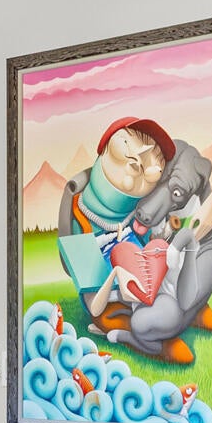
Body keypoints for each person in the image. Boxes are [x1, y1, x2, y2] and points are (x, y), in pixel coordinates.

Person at [55, 117, 171, 318]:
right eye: (129, 140)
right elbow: (93, 302)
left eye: (157, 160)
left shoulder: (138, 216)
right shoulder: (79, 216)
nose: (142, 158)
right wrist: (116, 274)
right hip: (109, 301)